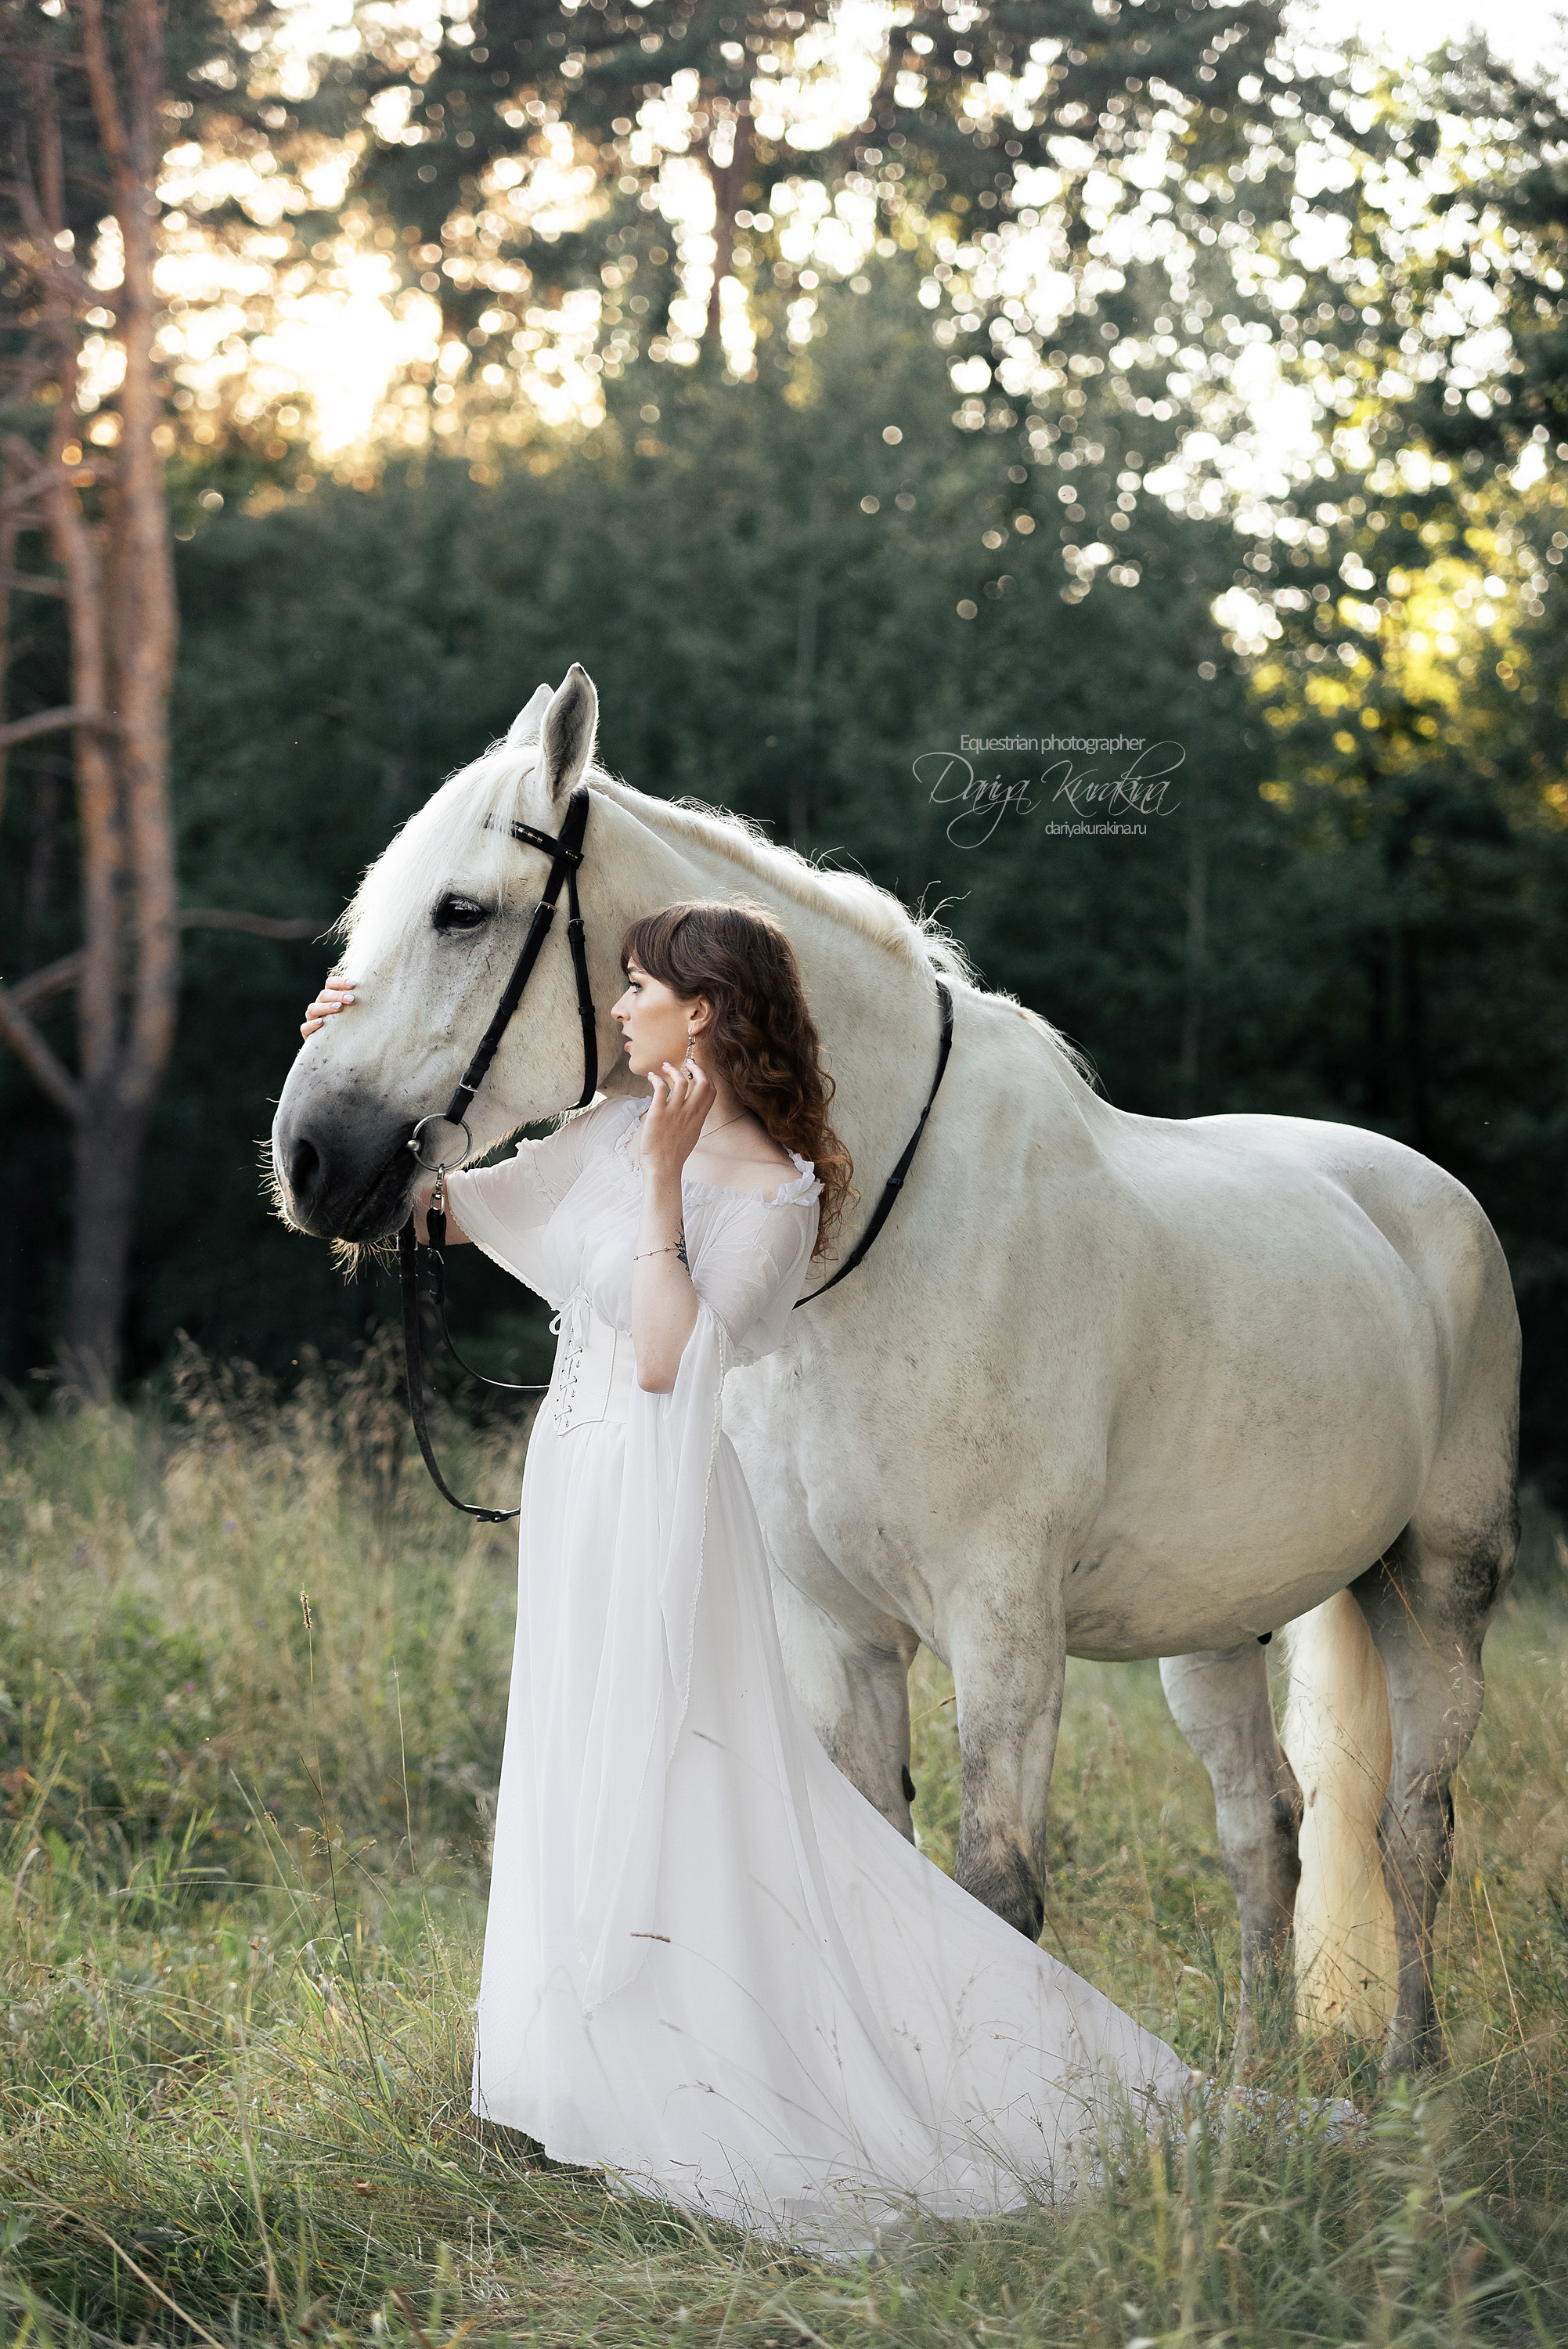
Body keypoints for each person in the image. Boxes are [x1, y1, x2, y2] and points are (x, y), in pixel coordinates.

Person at [300, 897, 1190, 2252]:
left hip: (665, 1498)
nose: (618, 1006)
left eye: (640, 985)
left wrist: (662, 1180)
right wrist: (344, 1043)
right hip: (580, 1484)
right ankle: (579, 2065)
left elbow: (669, 1356)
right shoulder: (598, 1128)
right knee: (574, 1755)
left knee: (682, 1768)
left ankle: (724, 2070)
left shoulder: (775, 1191)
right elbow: (438, 1214)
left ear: (701, 1011)